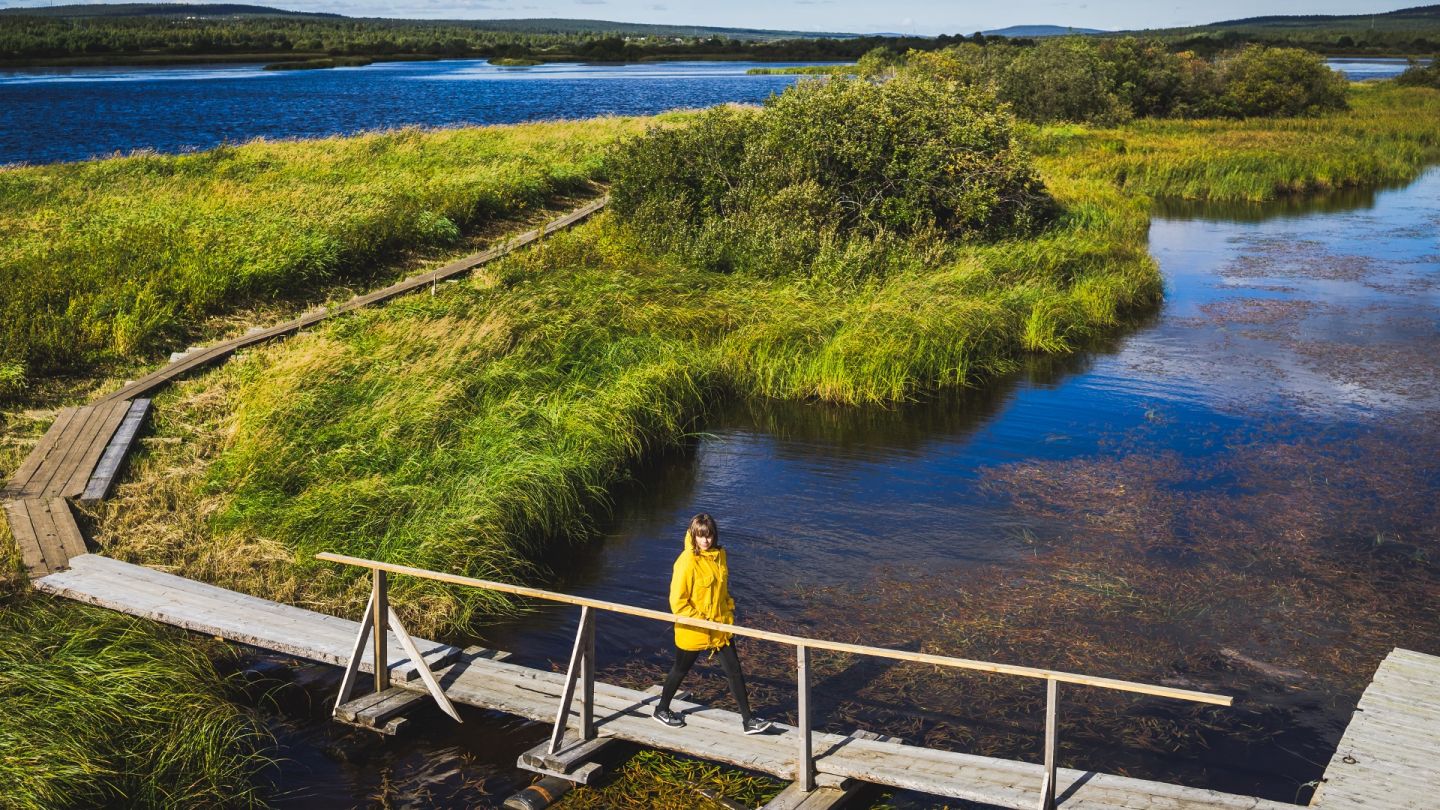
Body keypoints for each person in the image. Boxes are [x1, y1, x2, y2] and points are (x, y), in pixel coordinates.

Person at [653, 513, 773, 734]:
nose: (705, 541)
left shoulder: (720, 556)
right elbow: (678, 602)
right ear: (693, 535)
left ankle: (749, 720)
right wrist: (703, 621)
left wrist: (728, 608)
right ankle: (661, 709)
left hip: (720, 628)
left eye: (708, 536)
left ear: (714, 535)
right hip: (693, 630)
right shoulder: (687, 562)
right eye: (700, 536)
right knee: (680, 669)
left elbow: (723, 590)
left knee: (734, 671)